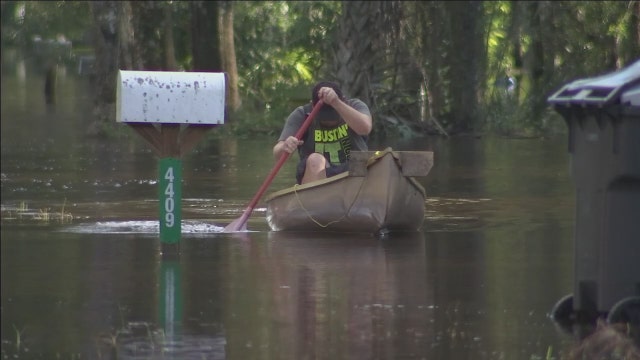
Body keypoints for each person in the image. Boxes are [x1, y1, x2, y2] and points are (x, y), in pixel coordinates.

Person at [273, 81, 372, 184]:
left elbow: (365, 128)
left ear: (344, 100)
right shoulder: (301, 114)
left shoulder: (355, 105)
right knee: (315, 160)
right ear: (312, 105)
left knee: (379, 159)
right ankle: (313, 196)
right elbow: (277, 154)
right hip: (319, 175)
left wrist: (336, 103)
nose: (329, 121)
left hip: (353, 169)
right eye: (324, 117)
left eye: (333, 115)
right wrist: (285, 146)